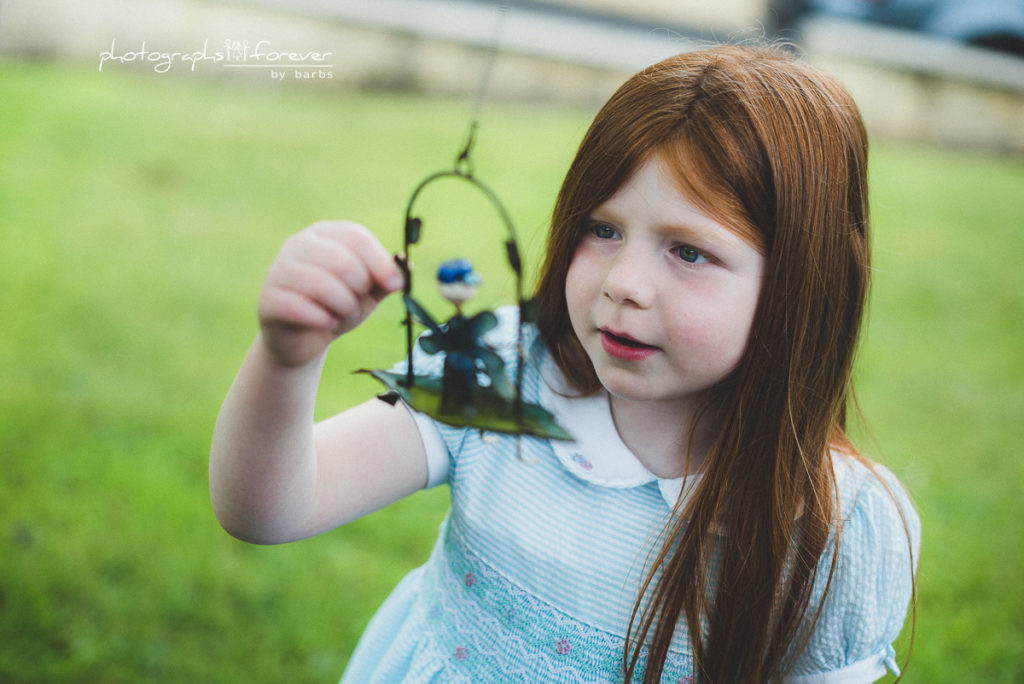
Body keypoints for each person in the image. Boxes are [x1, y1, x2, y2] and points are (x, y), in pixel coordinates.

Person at [210, 44, 920, 683]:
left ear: (803, 284)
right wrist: (286, 359)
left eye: (689, 251)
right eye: (602, 229)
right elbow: (270, 508)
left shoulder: (833, 530)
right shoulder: (502, 371)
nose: (623, 283)